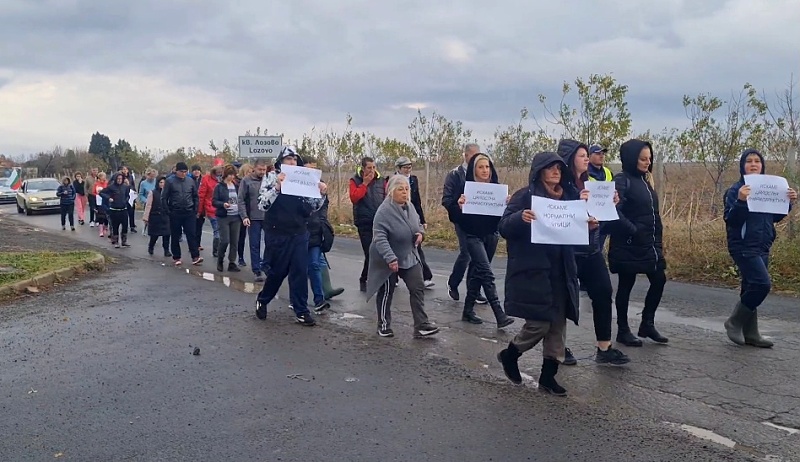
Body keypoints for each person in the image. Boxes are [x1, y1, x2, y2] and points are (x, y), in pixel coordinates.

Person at [496, 152, 583, 396]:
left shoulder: (569, 197)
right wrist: (520, 218)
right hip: (533, 269)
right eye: (550, 168)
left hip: (562, 269)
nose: (556, 171)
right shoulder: (526, 196)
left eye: (559, 168)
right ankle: (510, 354)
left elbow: (578, 231)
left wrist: (589, 225)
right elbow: (503, 226)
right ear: (539, 171)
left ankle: (548, 377)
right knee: (539, 323)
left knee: (557, 324)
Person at [557, 139, 630, 364]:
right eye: (581, 155)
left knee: (603, 291)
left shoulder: (593, 182)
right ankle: (559, 347)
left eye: (587, 155)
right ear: (570, 159)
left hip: (591, 248)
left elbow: (602, 215)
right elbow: (557, 215)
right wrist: (577, 204)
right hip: (567, 251)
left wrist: (613, 202)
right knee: (563, 300)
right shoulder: (560, 185)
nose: (587, 158)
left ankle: (604, 347)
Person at [723, 149, 797, 348]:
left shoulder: (767, 189)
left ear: (763, 165)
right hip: (744, 246)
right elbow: (731, 219)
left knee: (750, 286)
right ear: (742, 166)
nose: (754, 164)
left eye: (757, 161)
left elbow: (774, 217)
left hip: (763, 244)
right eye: (749, 161)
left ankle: (751, 333)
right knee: (761, 284)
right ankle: (735, 322)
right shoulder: (735, 190)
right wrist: (740, 200)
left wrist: (788, 203)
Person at [254, 146, 328, 326]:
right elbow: (262, 205)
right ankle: (263, 299)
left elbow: (313, 206)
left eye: (295, 159)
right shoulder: (271, 177)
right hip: (277, 232)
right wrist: (277, 187)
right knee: (277, 272)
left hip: (299, 231)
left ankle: (301, 310)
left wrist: (322, 194)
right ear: (280, 162)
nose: (292, 162)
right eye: (288, 159)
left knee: (299, 271)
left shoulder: (303, 178)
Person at [609, 139, 668, 345]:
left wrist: (656, 237)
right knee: (626, 284)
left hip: (649, 244)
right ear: (631, 158)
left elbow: (651, 213)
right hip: (628, 243)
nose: (647, 162)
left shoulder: (645, 181)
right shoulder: (621, 180)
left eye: (649, 159)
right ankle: (623, 330)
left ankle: (647, 324)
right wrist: (632, 230)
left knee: (659, 279)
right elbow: (614, 210)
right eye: (643, 159)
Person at [366, 174, 440, 338]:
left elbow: (418, 225)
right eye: (400, 189)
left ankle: (421, 325)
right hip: (387, 257)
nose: (405, 192)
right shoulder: (383, 212)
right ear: (391, 191)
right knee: (387, 290)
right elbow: (380, 237)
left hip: (408, 254)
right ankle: (383, 324)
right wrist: (390, 258)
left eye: (406, 189)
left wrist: (421, 234)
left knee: (417, 287)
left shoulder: (410, 207)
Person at [452, 153, 514, 328]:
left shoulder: (497, 189)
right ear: (474, 169)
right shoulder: (466, 188)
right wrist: (459, 206)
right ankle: (499, 314)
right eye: (481, 167)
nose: (485, 170)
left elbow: (503, 217)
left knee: (478, 274)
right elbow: (454, 215)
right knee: (487, 273)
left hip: (491, 235)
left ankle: (467, 310)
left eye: (487, 167)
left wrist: (508, 204)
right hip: (472, 236)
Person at [442, 143, 487, 304]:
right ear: (466, 156)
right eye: (473, 156)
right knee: (467, 253)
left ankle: (474, 290)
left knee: (480, 257)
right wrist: (459, 204)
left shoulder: (483, 173)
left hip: (481, 221)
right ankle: (453, 283)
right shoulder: (455, 174)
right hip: (462, 220)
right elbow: (446, 200)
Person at [393, 157, 434, 288]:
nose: (408, 170)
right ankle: (393, 276)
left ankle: (425, 276)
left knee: (417, 246)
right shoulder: (392, 180)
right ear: (398, 169)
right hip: (398, 217)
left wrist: (422, 220)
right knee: (396, 248)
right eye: (405, 167)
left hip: (412, 216)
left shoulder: (413, 180)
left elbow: (417, 201)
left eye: (409, 167)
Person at [349, 156, 387, 292]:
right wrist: (364, 184)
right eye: (369, 168)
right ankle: (365, 278)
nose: (372, 170)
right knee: (370, 252)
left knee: (380, 251)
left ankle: (379, 278)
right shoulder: (355, 180)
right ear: (363, 168)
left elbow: (387, 197)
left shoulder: (381, 181)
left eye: (374, 167)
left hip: (380, 221)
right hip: (364, 222)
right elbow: (354, 197)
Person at [162, 161, 202, 266]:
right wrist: (168, 211)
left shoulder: (190, 181)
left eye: (185, 171)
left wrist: (195, 208)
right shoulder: (170, 181)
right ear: (177, 171)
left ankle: (195, 256)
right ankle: (177, 256)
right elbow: (164, 197)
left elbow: (195, 196)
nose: (183, 173)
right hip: (175, 211)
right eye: (181, 171)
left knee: (191, 234)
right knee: (176, 235)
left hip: (189, 212)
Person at [238, 159, 270, 280]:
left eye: (264, 170)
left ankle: (266, 265)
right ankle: (256, 270)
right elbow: (240, 199)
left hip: (268, 217)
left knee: (270, 243)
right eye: (260, 169)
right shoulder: (246, 181)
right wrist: (244, 216)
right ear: (254, 169)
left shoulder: (268, 180)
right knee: (254, 244)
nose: (262, 172)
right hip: (253, 217)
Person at [212, 165, 242, 273]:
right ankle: (220, 259)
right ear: (225, 175)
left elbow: (241, 199)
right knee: (225, 240)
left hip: (236, 216)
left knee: (235, 241)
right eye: (230, 175)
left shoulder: (237, 186)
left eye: (233, 175)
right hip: (223, 216)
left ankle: (232, 262)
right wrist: (223, 204)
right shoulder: (219, 187)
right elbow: (214, 201)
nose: (232, 177)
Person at [100, 173, 132, 248]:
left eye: (121, 179)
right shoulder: (111, 187)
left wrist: (125, 201)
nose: (119, 180)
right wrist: (108, 198)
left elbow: (128, 195)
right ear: (115, 179)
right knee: (115, 226)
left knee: (125, 226)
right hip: (114, 210)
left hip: (123, 209)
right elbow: (101, 193)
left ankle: (124, 241)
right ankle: (116, 241)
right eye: (118, 179)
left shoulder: (125, 187)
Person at [142, 176, 171, 257]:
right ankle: (151, 247)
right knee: (154, 235)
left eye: (164, 183)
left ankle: (166, 250)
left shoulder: (169, 193)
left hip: (165, 216)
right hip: (155, 216)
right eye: (161, 182)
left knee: (167, 234)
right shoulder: (153, 192)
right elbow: (148, 205)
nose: (162, 184)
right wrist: (146, 217)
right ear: (158, 183)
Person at [199, 166, 221, 258]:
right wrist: (199, 210)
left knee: (222, 232)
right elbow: (201, 195)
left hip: (223, 209)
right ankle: (216, 251)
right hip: (211, 208)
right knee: (217, 231)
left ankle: (219, 250)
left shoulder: (225, 179)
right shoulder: (206, 179)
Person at [120, 165, 138, 233]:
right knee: (124, 212)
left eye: (126, 169)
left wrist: (135, 195)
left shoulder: (130, 177)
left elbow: (133, 186)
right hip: (124, 196)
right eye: (123, 169)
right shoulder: (120, 177)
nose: (125, 170)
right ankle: (124, 226)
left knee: (131, 212)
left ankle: (132, 226)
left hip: (131, 195)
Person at [92, 172, 108, 236]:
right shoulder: (96, 184)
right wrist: (97, 195)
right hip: (99, 202)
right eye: (103, 176)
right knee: (100, 216)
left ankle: (105, 227)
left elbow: (109, 191)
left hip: (105, 201)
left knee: (106, 216)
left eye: (105, 176)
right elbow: (93, 192)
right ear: (100, 177)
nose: (104, 177)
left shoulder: (107, 183)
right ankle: (101, 230)